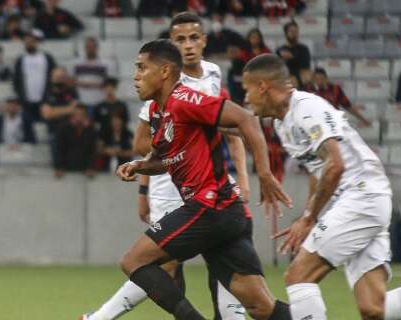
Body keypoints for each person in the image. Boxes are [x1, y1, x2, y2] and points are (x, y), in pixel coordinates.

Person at [241, 53, 401, 320]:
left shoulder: (306, 109)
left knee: (298, 276)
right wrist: (314, 213)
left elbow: (336, 165)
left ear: (263, 86)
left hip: (361, 195)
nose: (246, 97)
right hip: (360, 199)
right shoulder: (281, 123)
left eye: (247, 89)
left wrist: (309, 218)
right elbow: (320, 170)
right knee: (373, 308)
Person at [82, 13, 251, 320]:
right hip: (170, 183)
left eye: (193, 38)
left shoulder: (212, 75)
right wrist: (144, 190)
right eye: (180, 39)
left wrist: (244, 177)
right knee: (164, 263)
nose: (188, 45)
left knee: (214, 262)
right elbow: (149, 145)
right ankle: (101, 317)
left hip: (208, 181)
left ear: (204, 41)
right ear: (170, 48)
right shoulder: (158, 88)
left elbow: (232, 129)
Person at [113, 39, 293, 320]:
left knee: (133, 261)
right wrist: (139, 166)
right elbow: (165, 161)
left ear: (164, 72)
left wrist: (265, 174)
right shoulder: (162, 114)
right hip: (226, 214)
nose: (135, 76)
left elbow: (246, 119)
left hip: (210, 206)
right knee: (261, 308)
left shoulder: (185, 100)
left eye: (141, 68)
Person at [13, 29, 57, 121]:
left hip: (44, 100)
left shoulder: (47, 58)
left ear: (37, 42)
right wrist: (20, 96)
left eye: (31, 41)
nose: (29, 43)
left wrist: (49, 95)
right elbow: (16, 80)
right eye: (26, 41)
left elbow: (54, 76)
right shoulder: (20, 60)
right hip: (26, 101)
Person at [306, 67, 371, 126]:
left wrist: (363, 119)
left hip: (334, 122)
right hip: (316, 123)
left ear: (326, 78)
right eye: (316, 79)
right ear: (312, 80)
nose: (319, 82)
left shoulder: (335, 89)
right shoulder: (309, 90)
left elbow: (348, 107)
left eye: (321, 79)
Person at [41, 67, 79, 167]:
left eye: (62, 77)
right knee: (58, 165)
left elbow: (75, 111)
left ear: (66, 78)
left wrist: (55, 111)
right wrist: (67, 109)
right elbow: (47, 114)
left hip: (71, 131)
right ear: (51, 78)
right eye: (57, 77)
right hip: (54, 131)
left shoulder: (72, 92)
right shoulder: (47, 93)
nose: (59, 79)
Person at [72, 37, 117, 115]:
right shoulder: (76, 64)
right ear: (85, 48)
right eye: (88, 47)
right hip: (81, 101)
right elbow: (71, 81)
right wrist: (97, 83)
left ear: (96, 48)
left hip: (100, 100)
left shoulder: (105, 64)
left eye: (92, 47)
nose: (90, 49)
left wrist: (85, 83)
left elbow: (110, 83)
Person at [228, 28, 271, 104]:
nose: (255, 39)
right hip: (246, 75)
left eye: (257, 37)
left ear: (260, 39)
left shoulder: (265, 51)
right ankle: (236, 100)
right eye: (253, 37)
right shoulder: (244, 51)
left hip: (260, 75)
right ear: (249, 39)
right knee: (231, 74)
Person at [55, 104, 97, 178]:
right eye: (77, 114)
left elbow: (93, 150)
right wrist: (59, 167)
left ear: (85, 116)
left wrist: (91, 167)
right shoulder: (64, 128)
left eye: (81, 115)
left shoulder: (90, 129)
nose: (79, 117)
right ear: (72, 115)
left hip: (85, 167)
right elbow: (60, 149)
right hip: (67, 165)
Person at [275, 21, 311, 87]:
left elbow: (306, 65)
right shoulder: (280, 50)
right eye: (291, 31)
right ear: (286, 33)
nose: (294, 33)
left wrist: (291, 58)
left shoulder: (303, 48)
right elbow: (278, 68)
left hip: (301, 75)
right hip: (286, 77)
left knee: (307, 75)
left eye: (296, 31)